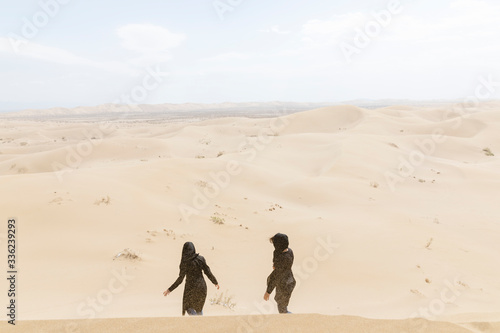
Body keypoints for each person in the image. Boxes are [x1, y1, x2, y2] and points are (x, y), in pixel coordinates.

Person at [163, 242, 219, 315]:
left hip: (191, 288)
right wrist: (215, 282)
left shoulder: (185, 262)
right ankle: (200, 322)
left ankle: (196, 322)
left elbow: (180, 279)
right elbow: (208, 272)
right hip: (201, 287)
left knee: (188, 307)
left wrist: (169, 289)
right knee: (199, 308)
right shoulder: (200, 259)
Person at [263, 233, 296, 314]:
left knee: (282, 309)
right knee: (281, 306)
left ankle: (293, 319)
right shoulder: (288, 251)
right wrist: (276, 265)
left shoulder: (284, 258)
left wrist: (268, 291)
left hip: (286, 284)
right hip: (286, 281)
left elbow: (275, 276)